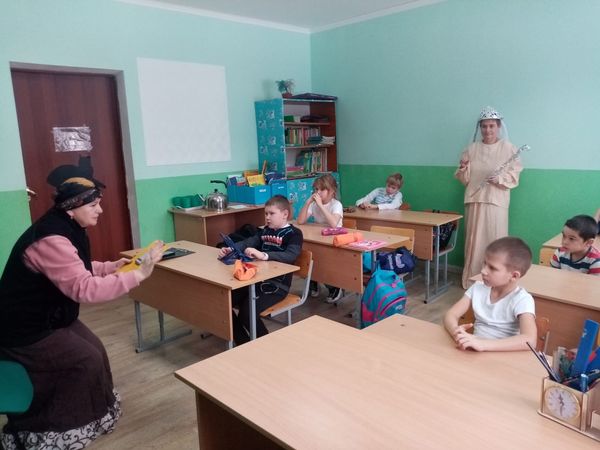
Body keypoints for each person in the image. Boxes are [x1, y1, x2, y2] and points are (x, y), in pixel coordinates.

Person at [0, 161, 164, 450]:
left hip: (51, 318)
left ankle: (95, 417)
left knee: (96, 350)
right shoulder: (51, 238)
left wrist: (113, 267)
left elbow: (78, 267)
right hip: (24, 329)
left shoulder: (67, 226)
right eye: (93, 205)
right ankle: (51, 433)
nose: (100, 210)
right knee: (84, 361)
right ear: (72, 207)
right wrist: (138, 275)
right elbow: (83, 288)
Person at [218, 195, 303, 345]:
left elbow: (291, 255)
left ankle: (265, 345)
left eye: (272, 213)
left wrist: (264, 255)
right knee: (223, 303)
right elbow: (248, 242)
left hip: (277, 286)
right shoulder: (265, 231)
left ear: (285, 214)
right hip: (255, 280)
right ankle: (243, 342)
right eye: (266, 213)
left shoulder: (294, 233)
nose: (267, 217)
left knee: (247, 313)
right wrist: (231, 249)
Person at [454, 106, 523, 289]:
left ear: (498, 126)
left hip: (496, 201)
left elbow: (515, 175)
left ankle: (497, 281)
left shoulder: (509, 149)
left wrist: (499, 179)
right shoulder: (471, 149)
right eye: (484, 126)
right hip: (475, 200)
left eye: (491, 126)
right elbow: (465, 179)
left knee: (496, 241)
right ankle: (473, 280)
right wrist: (463, 168)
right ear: (480, 128)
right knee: (474, 243)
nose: (488, 130)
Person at [444, 237, 536, 352]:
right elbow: (451, 314)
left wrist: (483, 344)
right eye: (485, 263)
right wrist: (456, 331)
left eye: (492, 268)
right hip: (475, 352)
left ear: (514, 276)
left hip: (503, 356)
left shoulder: (522, 300)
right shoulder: (477, 288)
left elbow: (530, 340)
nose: (483, 271)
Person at [297, 174, 344, 303]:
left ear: (332, 191)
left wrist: (321, 205)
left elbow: (333, 224)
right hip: (320, 238)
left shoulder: (336, 204)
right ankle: (313, 280)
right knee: (308, 254)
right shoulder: (314, 205)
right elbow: (300, 221)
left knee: (325, 262)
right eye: (316, 189)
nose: (318, 192)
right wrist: (307, 203)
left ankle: (334, 286)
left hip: (334, 241)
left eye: (322, 189)